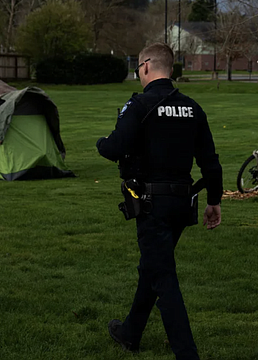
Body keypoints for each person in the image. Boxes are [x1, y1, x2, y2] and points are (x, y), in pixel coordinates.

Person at [96, 43, 223, 360]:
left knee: (164, 278)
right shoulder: (192, 108)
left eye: (138, 68)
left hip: (152, 205)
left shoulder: (139, 105)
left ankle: (186, 353)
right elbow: (210, 162)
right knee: (152, 268)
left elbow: (115, 148)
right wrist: (214, 202)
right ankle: (129, 333)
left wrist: (100, 143)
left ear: (146, 67)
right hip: (183, 204)